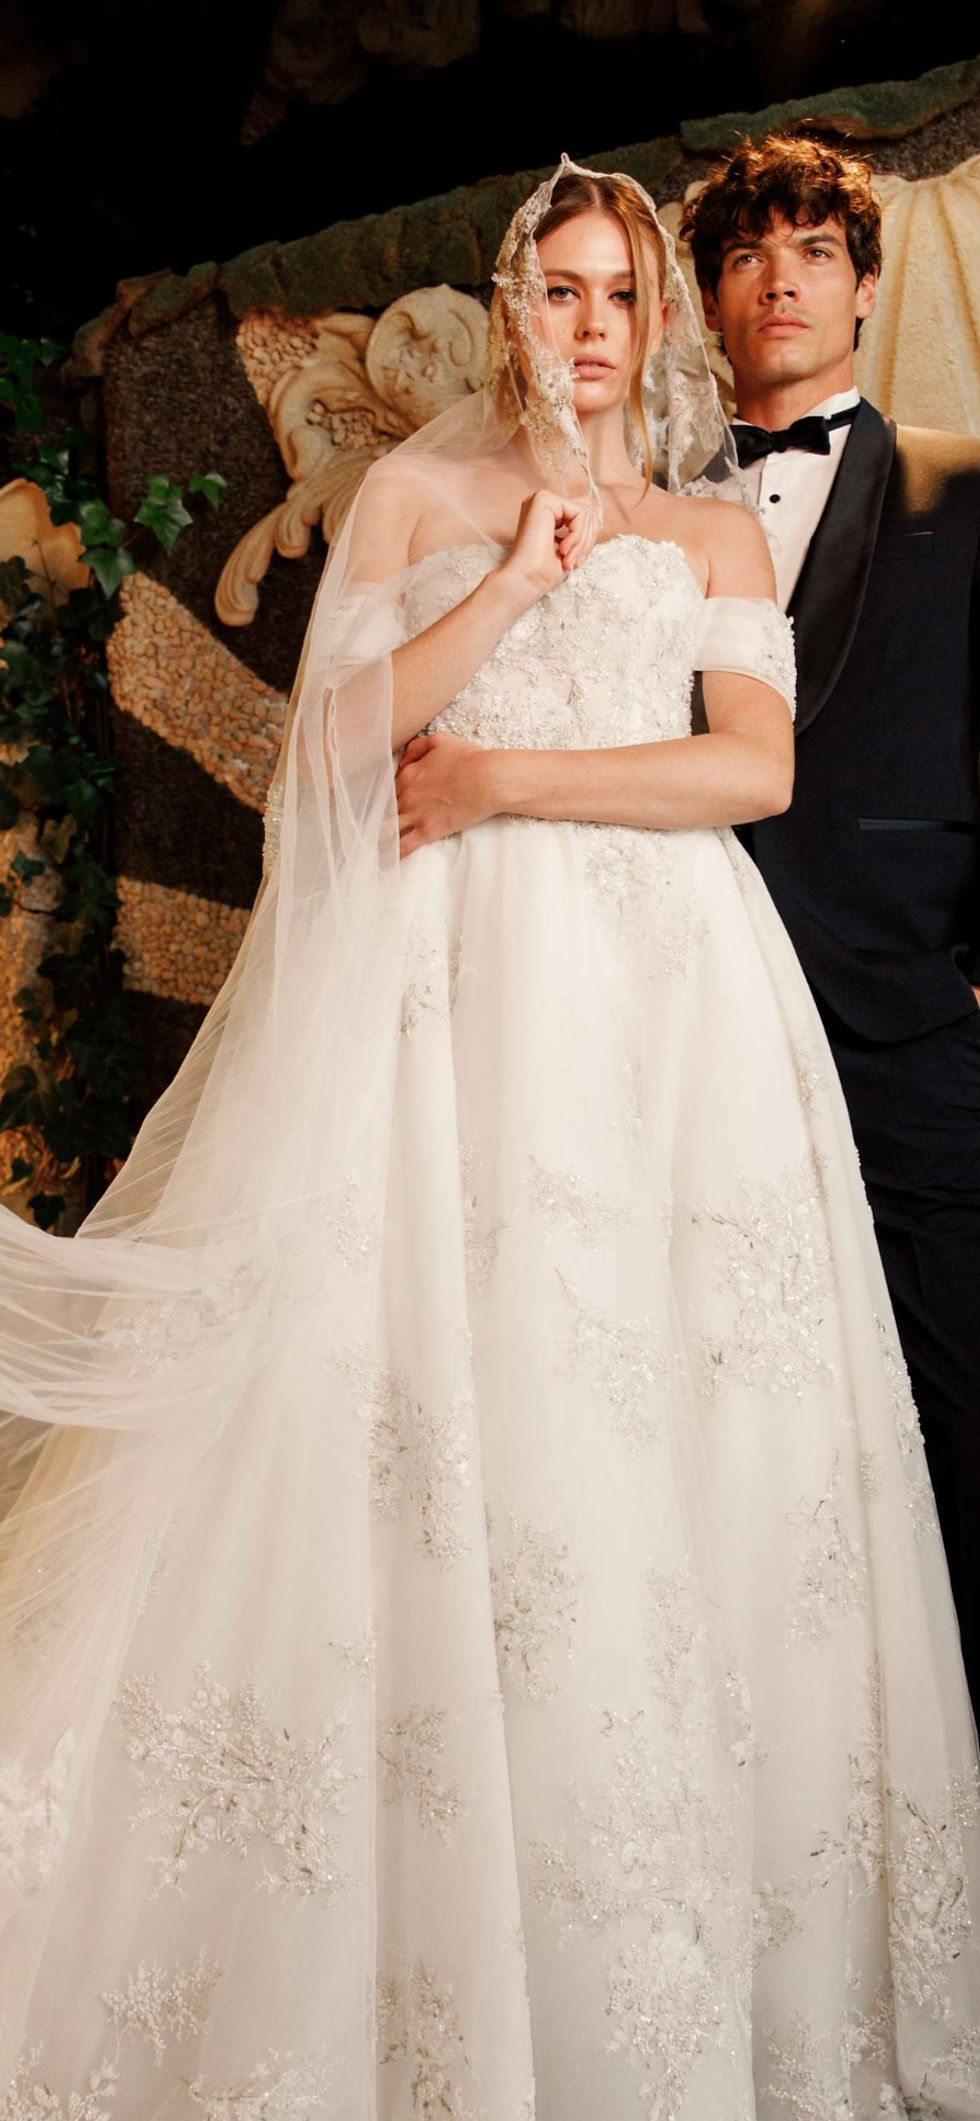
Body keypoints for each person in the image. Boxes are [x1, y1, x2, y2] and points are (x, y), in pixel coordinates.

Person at [0, 158, 977, 2121]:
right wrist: (517, 582)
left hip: (679, 1011)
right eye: (560, 289)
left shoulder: (709, 524)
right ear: (513, 307)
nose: (591, 324)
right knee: (459, 1400)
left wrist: (513, 772)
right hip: (455, 1003)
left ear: (655, 322)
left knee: (686, 1424)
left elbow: (752, 765)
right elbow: (328, 755)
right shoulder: (412, 500)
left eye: (622, 293)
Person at [680, 133, 980, 1718]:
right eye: (745, 255)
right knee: (733, 1437)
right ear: (708, 303)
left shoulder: (967, 486)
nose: (779, 279)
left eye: (812, 249)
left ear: (865, 286)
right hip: (692, 1041)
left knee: (958, 1431)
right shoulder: (646, 519)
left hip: (909, 1029)